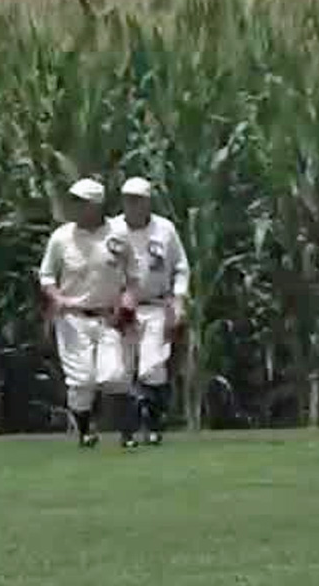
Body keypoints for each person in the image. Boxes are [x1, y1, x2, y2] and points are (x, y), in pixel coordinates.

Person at [39, 178, 141, 449]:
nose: (76, 207)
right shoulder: (61, 237)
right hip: (73, 318)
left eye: (82, 202)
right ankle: (85, 431)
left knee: (114, 376)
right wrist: (57, 297)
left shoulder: (119, 234)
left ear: (96, 206)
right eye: (74, 201)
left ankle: (128, 431)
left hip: (109, 317)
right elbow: (47, 276)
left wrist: (129, 301)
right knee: (81, 381)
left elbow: (133, 276)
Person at [113, 177, 189, 445]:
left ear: (148, 201)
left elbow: (180, 267)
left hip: (157, 305)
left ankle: (153, 425)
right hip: (122, 310)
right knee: (121, 371)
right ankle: (127, 430)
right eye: (128, 199)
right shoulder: (113, 229)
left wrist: (178, 300)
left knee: (152, 369)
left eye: (138, 199)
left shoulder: (165, 230)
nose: (132, 204)